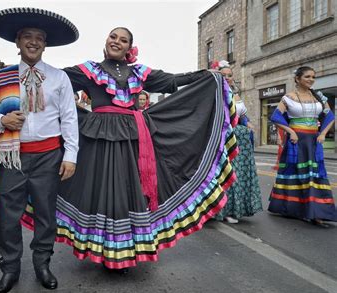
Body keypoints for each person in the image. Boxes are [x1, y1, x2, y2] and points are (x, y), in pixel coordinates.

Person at [19, 27, 239, 271]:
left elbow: (172, 80)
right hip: (98, 139)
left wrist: (205, 75)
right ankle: (101, 250)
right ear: (106, 41)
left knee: (126, 191)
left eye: (123, 40)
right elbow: (55, 79)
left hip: (134, 141)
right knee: (98, 191)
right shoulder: (89, 70)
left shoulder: (139, 72)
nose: (117, 41)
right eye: (113, 37)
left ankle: (123, 251)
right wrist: (29, 65)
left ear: (128, 47)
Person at [0, 8, 79, 293]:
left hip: (49, 154)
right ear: (17, 41)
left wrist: (71, 155)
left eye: (39, 37)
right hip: (12, 155)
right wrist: (2, 120)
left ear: (45, 44)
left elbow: (69, 117)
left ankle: (42, 264)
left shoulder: (59, 77)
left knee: (46, 213)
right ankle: (10, 268)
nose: (33, 42)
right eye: (28, 36)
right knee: (9, 214)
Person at [269, 66, 337, 227]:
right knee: (297, 173)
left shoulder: (319, 97)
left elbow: (330, 116)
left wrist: (322, 133)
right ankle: (293, 209)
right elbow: (275, 116)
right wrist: (290, 131)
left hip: (313, 141)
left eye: (313, 77)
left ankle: (316, 212)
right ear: (298, 79)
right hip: (296, 141)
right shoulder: (288, 97)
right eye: (307, 76)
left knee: (314, 174)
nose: (311, 79)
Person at [213, 60, 262, 223]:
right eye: (223, 75)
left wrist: (248, 123)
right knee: (225, 175)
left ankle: (235, 208)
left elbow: (241, 115)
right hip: (222, 139)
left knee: (237, 175)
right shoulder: (213, 94)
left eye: (230, 76)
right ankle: (223, 211)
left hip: (240, 141)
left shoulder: (236, 95)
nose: (227, 78)